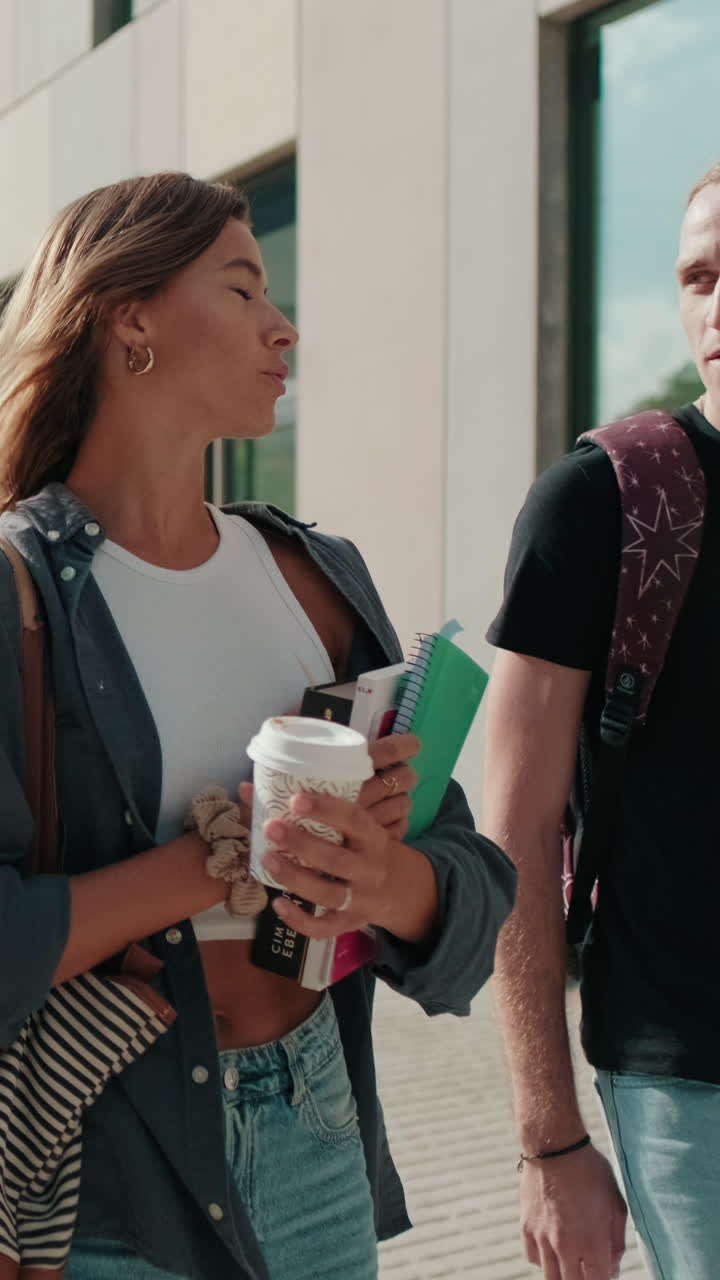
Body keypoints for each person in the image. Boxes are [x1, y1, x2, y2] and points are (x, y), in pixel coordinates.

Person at [0, 171, 515, 1280]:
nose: (284, 327)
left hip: (319, 1119)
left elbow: (466, 867)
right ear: (127, 314)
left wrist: (383, 879)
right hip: (107, 1163)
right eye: (243, 288)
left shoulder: (313, 574)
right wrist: (215, 859)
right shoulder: (19, 588)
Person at [482, 159, 720, 1280]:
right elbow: (519, 828)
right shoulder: (612, 499)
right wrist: (550, 1139)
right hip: (690, 1080)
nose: (716, 305)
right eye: (700, 276)